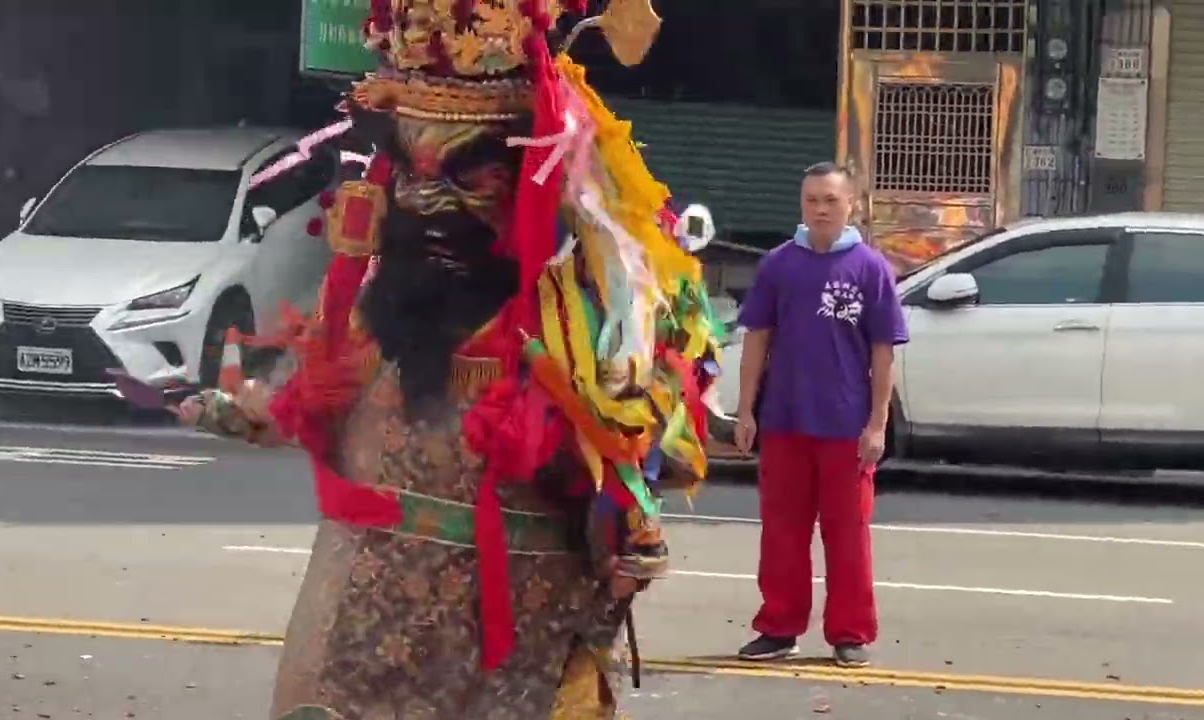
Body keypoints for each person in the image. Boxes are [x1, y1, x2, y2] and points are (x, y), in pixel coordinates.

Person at [169, 1, 723, 717]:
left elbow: (640, 453)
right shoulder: (382, 310)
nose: (428, 198)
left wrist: (630, 528)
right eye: (410, 170)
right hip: (360, 645)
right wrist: (242, 410)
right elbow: (313, 399)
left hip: (515, 643)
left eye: (468, 175)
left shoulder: (583, 326)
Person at [732, 162, 908, 669]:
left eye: (830, 199)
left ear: (851, 203)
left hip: (845, 428)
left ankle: (850, 632)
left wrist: (876, 424)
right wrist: (746, 410)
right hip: (784, 422)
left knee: (848, 536)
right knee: (782, 533)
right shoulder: (778, 265)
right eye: (811, 200)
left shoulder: (871, 268)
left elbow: (883, 353)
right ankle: (779, 627)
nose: (821, 209)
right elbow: (756, 340)